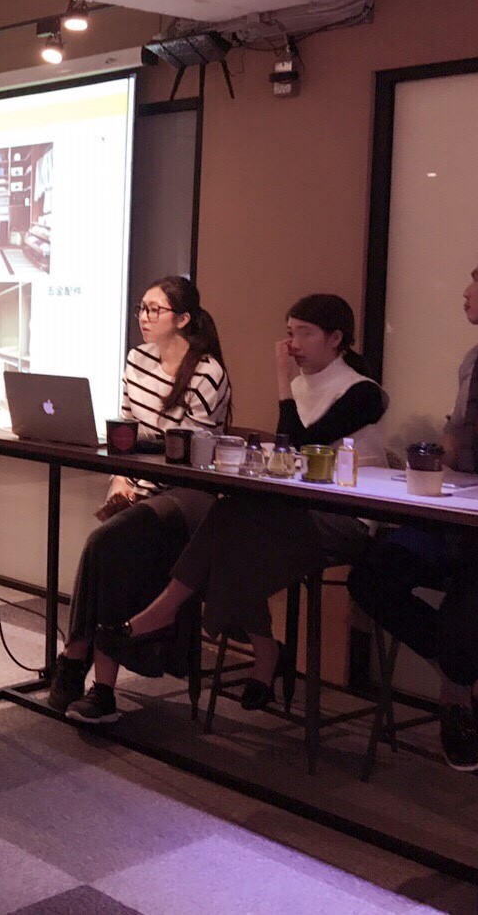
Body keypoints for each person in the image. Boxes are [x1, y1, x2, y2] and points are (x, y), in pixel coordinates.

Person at [96, 294, 387, 713]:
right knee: (229, 520)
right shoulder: (304, 386)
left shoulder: (363, 393)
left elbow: (297, 444)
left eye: (304, 333)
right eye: (289, 333)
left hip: (349, 517)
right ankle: (259, 650)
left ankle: (177, 617)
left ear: (336, 338)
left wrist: (282, 379)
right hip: (301, 508)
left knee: (231, 530)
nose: (292, 344)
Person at [349, 234, 478, 771]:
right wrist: (435, 456)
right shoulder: (475, 360)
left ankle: (462, 692)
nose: (466, 289)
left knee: (477, 596)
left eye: (476, 277)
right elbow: (461, 435)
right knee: (371, 576)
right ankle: (471, 678)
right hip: (457, 512)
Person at [48, 276, 232, 724]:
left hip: (189, 496)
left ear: (183, 319)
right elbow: (125, 435)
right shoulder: (137, 360)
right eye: (142, 309)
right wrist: (119, 481)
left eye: (154, 310)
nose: (144, 318)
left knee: (105, 543)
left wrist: (140, 469)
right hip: (146, 489)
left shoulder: (206, 372)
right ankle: (99, 689)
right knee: (109, 547)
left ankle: (76, 657)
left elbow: (192, 454)